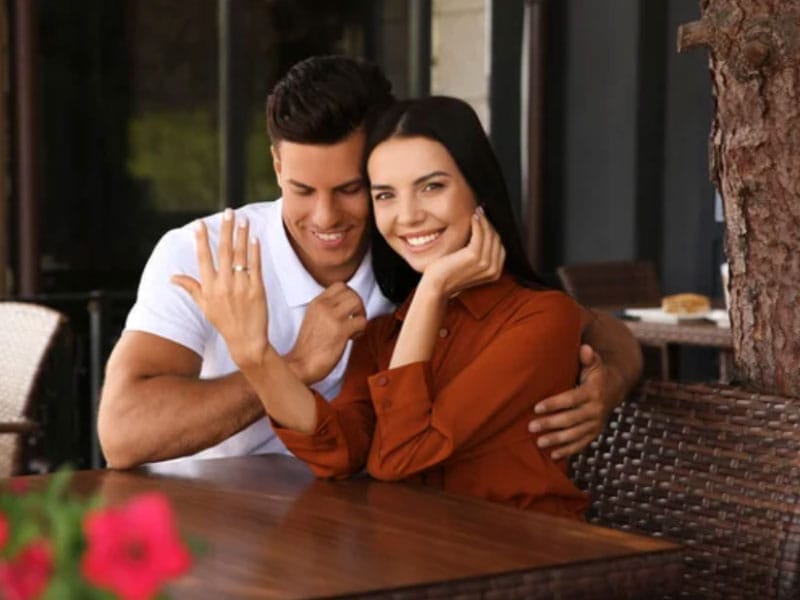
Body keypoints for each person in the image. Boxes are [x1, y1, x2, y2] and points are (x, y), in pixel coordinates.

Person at [98, 56, 642, 470]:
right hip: (209, 521)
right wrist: (293, 366)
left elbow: (586, 324)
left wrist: (610, 380)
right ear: (275, 165)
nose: (326, 216)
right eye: (301, 189)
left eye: (354, 189)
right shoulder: (208, 251)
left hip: (360, 524)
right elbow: (122, 434)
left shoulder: (418, 250)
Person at [175, 96, 590, 518]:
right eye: (386, 195)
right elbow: (339, 452)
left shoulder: (541, 319)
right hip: (416, 555)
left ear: (478, 188)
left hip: (527, 563)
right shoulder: (386, 332)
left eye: (432, 186)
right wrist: (255, 356)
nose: (407, 216)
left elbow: (401, 455)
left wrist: (432, 289)